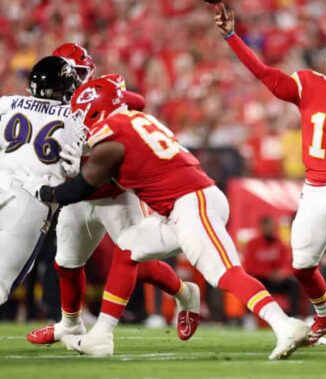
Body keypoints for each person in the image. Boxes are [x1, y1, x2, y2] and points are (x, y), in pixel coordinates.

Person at [17, 77, 309, 360]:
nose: (81, 124)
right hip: (182, 206)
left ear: (97, 111)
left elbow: (80, 188)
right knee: (128, 247)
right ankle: (101, 336)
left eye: (84, 115)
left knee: (225, 274)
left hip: (192, 203)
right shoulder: (130, 119)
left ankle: (284, 324)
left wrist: (42, 190)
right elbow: (128, 101)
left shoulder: (112, 139)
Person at [215, 5, 326, 350]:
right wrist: (232, 37)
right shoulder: (309, 83)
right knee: (301, 266)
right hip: (314, 186)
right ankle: (324, 315)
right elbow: (265, 74)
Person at [28, 43, 200, 348]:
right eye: (65, 74)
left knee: (139, 260)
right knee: (65, 263)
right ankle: (70, 324)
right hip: (78, 192)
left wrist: (107, 106)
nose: (69, 82)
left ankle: (185, 294)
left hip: (114, 192)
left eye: (75, 74)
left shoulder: (98, 92)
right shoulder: (47, 105)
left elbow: (138, 102)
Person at [0, 56, 81, 305]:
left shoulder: (9, 102)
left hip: (2, 176)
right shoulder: (76, 117)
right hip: (30, 197)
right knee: (2, 282)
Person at [243, 216, 299, 316]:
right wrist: (267, 273)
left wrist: (282, 273)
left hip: (277, 279)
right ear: (261, 228)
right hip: (261, 278)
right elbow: (249, 266)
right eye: (267, 227)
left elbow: (286, 262)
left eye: (271, 227)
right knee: (249, 285)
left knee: (292, 284)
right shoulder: (253, 243)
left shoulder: (279, 243)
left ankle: (293, 315)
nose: (270, 229)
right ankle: (249, 317)